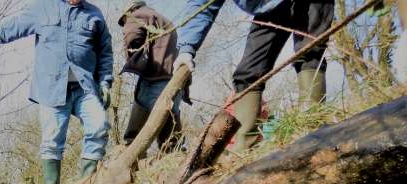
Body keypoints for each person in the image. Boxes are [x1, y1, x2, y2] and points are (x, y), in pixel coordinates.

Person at [0, 0, 113, 184]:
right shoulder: (42, 8)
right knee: (52, 141)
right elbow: (10, 29)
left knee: (99, 126)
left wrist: (105, 83)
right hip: (52, 88)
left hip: (85, 88)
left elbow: (105, 51)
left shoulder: (94, 14)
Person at [174, 0, 335, 151]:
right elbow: (201, 5)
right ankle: (245, 149)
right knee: (247, 74)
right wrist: (186, 49)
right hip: (270, 7)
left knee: (310, 53)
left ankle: (312, 127)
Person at [118, 1, 184, 150]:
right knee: (170, 124)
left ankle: (129, 162)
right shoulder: (162, 19)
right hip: (175, 78)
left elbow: (132, 38)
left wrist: (133, 60)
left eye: (124, 22)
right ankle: (174, 159)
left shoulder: (137, 15)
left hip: (155, 77)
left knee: (133, 137)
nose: (125, 24)